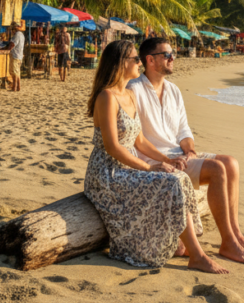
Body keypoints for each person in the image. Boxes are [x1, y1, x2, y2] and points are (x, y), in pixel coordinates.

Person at [84, 40, 227, 273]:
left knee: (177, 176)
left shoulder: (129, 95)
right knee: (171, 183)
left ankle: (190, 247)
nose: (139, 62)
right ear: (121, 63)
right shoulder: (107, 97)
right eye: (134, 59)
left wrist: (167, 160)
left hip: (128, 167)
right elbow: (112, 147)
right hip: (109, 172)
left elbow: (139, 141)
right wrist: (149, 168)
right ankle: (197, 255)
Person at [130, 37, 244, 265]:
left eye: (173, 54)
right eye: (167, 55)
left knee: (230, 162)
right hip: (157, 161)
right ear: (150, 60)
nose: (173, 58)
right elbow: (135, 138)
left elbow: (184, 130)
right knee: (216, 169)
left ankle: (236, 234)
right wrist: (166, 159)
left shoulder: (173, 90)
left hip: (180, 155)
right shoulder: (134, 90)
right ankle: (228, 243)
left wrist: (190, 152)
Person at [8, 22, 25, 92]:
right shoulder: (21, 35)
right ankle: (18, 87)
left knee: (14, 72)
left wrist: (7, 49)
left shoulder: (17, 35)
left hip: (15, 55)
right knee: (17, 72)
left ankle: (14, 87)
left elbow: (13, 44)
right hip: (19, 55)